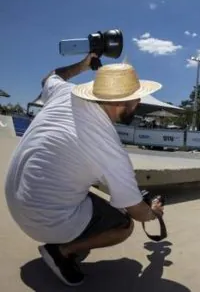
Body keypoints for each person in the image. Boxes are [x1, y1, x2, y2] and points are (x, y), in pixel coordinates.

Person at [4, 53, 165, 287]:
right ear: (120, 102)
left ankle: (66, 235)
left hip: (15, 199)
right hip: (42, 220)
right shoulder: (109, 148)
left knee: (91, 189)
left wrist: (83, 64)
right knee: (123, 224)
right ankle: (62, 251)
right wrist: (153, 213)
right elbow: (137, 212)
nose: (139, 103)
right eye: (136, 98)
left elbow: (50, 77)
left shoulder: (65, 92)